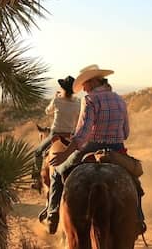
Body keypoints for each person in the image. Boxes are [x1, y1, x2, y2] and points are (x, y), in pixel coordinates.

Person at [46, 64, 135, 234]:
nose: (84, 89)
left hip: (91, 148)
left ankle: (53, 213)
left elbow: (82, 135)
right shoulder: (119, 100)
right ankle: (138, 218)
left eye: (85, 85)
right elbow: (126, 133)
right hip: (117, 149)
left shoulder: (90, 100)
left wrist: (65, 153)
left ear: (93, 81)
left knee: (57, 173)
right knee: (133, 180)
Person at [31, 76, 80, 191]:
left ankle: (36, 180)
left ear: (62, 88)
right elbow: (78, 120)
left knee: (37, 152)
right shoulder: (78, 103)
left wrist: (55, 98)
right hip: (70, 135)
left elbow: (47, 111)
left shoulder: (57, 100)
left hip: (56, 133)